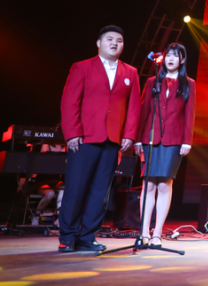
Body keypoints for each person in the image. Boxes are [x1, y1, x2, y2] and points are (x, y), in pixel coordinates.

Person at [58, 25, 140, 253]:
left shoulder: (130, 72)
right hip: (85, 138)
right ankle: (68, 236)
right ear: (99, 43)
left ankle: (87, 237)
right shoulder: (82, 67)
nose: (115, 43)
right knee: (76, 188)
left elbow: (134, 107)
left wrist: (129, 134)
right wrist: (72, 133)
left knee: (100, 192)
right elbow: (69, 102)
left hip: (112, 140)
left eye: (119, 40)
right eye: (110, 39)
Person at [137, 43, 196, 245]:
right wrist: (138, 138)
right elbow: (144, 111)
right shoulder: (152, 81)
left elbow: (190, 114)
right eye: (168, 55)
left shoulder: (189, 83)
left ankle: (157, 233)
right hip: (150, 138)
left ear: (182, 59)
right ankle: (143, 232)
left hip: (174, 140)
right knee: (148, 184)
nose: (171, 59)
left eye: (175, 55)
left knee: (164, 184)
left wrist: (187, 141)